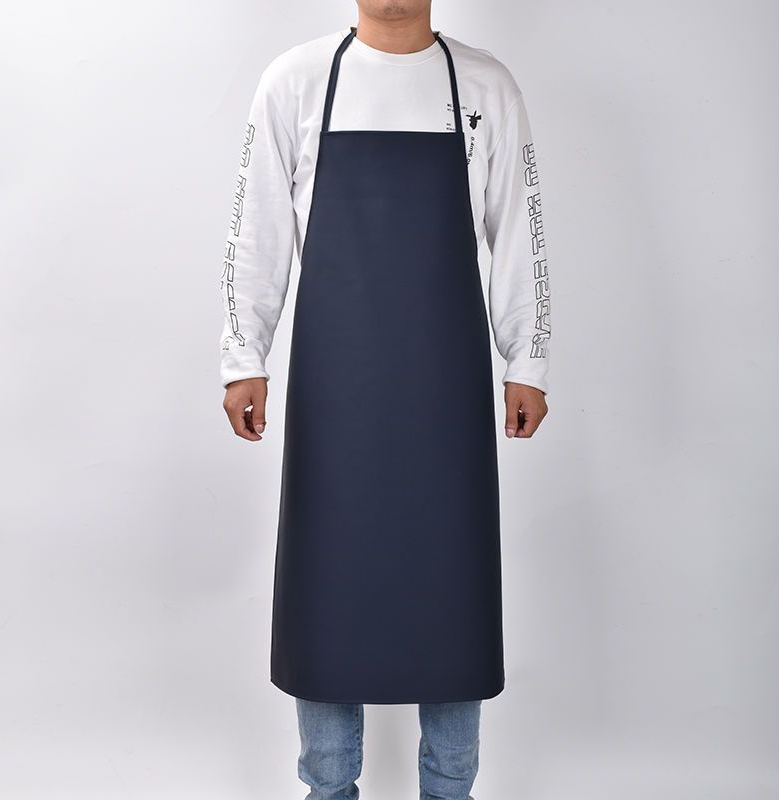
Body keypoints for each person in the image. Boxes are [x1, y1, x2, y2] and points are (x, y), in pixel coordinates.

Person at [218, 2, 551, 797]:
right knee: (327, 591)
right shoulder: (296, 81)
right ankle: (328, 788)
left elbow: (518, 228)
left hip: (448, 393)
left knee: (453, 591)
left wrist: (529, 358)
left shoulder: (486, 85)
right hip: (333, 392)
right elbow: (257, 226)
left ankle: (450, 789)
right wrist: (243, 354)